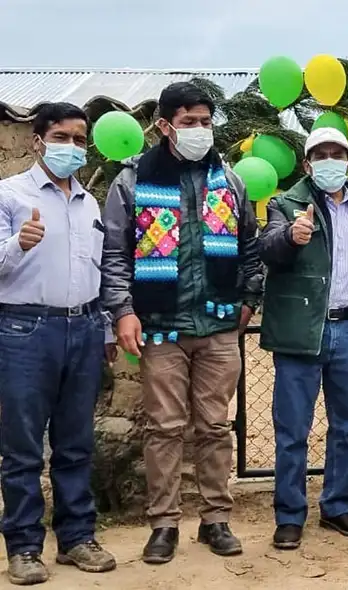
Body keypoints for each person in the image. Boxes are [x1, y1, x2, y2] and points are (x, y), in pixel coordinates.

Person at [101, 82, 264, 564]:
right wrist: (124, 311)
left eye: (206, 121)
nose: (199, 130)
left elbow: (250, 249)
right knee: (164, 427)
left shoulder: (229, 182)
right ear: (164, 126)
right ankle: (164, 524)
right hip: (160, 327)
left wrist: (248, 302)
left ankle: (216, 518)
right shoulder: (131, 182)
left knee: (215, 426)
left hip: (218, 327)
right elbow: (114, 255)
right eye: (189, 122)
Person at [258, 127, 348, 550]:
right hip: (302, 333)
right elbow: (266, 248)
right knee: (292, 430)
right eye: (320, 154)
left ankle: (338, 506)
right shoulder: (285, 204)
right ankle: (289, 515)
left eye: (337, 153)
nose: (329, 161)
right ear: (307, 163)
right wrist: (289, 238)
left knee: (347, 427)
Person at [0, 103, 117, 585]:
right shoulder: (9, 195)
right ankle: (25, 547)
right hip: (26, 331)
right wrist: (16, 244)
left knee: (76, 443)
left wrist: (106, 329)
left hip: (85, 328)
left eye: (80, 138)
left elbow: (98, 271)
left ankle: (76, 538)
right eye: (62, 136)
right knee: (23, 447)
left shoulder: (89, 203)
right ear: (37, 141)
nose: (73, 146)